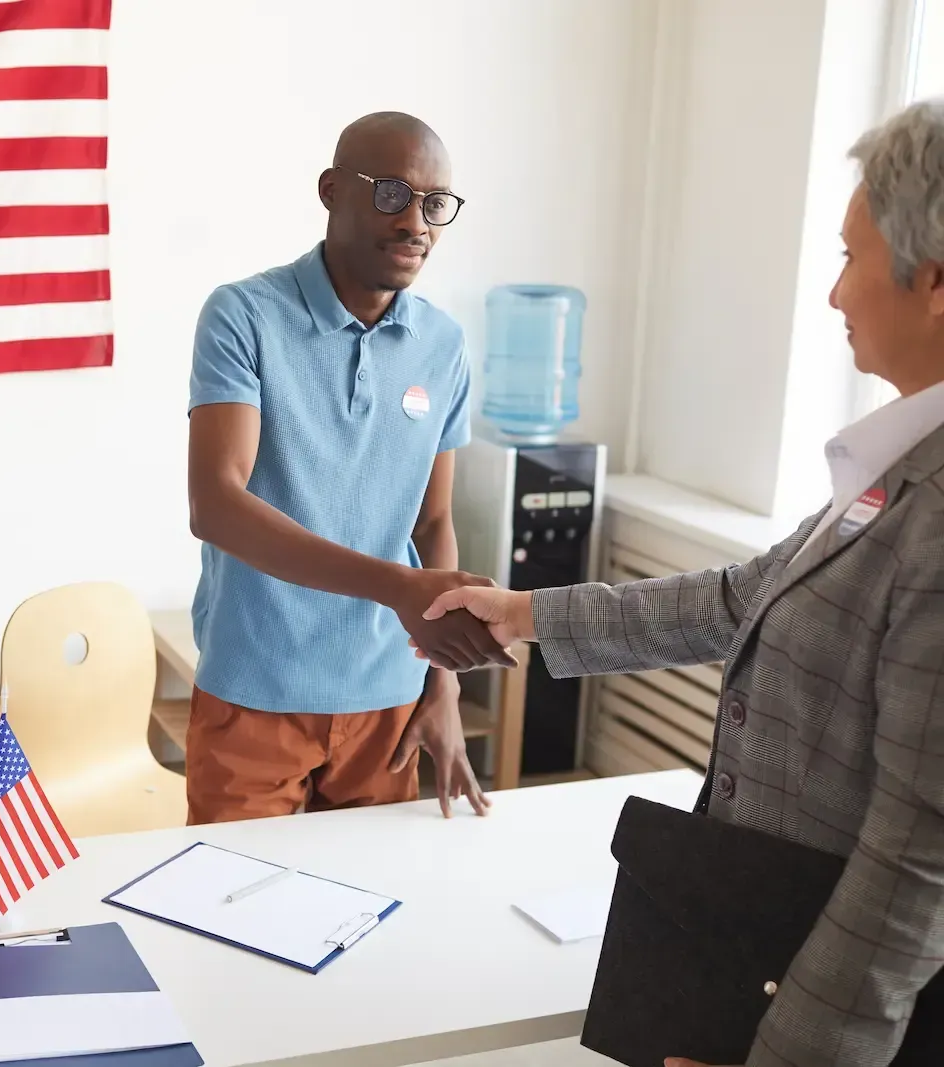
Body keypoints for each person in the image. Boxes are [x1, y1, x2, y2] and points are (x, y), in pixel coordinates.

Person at [421, 100, 944, 1067]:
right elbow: (740, 598)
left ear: (935, 282)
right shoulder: (894, 467)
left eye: (848, 259)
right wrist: (527, 611)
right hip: (760, 941)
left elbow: (917, 860)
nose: (834, 296)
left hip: (823, 1008)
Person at [184, 111, 512, 827]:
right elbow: (215, 502)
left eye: (435, 203)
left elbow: (432, 522)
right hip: (256, 688)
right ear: (332, 190)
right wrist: (397, 586)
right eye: (391, 193)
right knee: (226, 915)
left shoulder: (443, 343)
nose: (417, 222)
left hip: (386, 698)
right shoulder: (243, 316)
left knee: (364, 919)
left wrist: (442, 688)